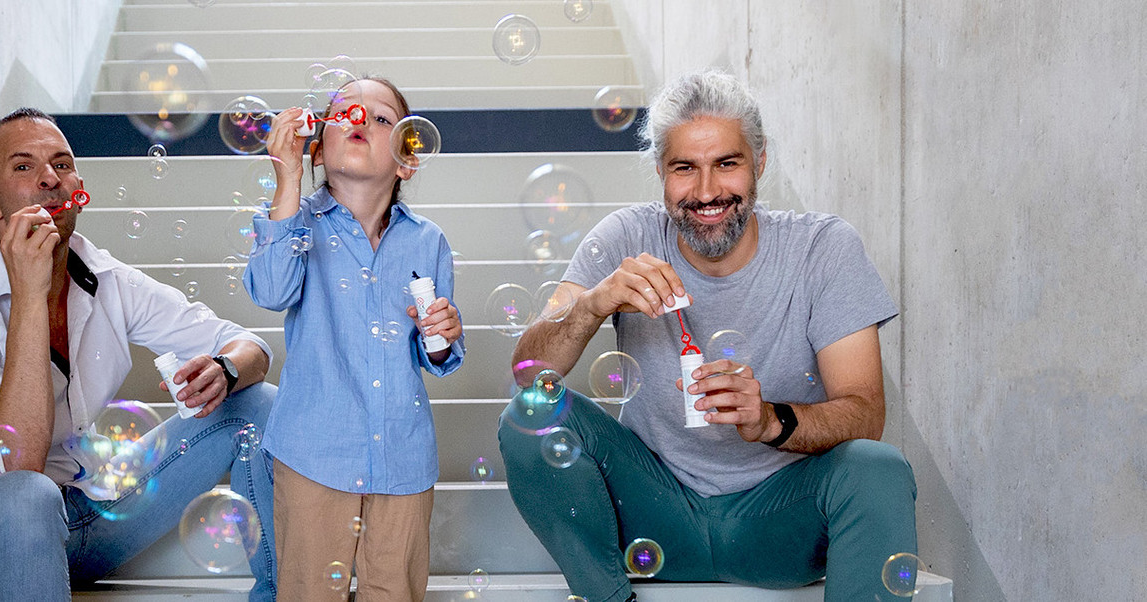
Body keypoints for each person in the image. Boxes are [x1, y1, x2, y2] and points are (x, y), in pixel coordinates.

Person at [501, 70, 916, 602]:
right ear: (660, 171)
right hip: (653, 515)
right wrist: (592, 304)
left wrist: (770, 419)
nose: (706, 192)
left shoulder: (823, 250)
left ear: (759, 161)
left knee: (877, 468)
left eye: (727, 163)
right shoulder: (626, 237)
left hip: (777, 521)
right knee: (532, 411)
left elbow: (865, 413)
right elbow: (530, 372)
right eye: (684, 168)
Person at [0, 108, 278, 601]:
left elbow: (249, 345)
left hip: (82, 517)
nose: (49, 178)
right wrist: (28, 293)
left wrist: (224, 368)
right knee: (27, 494)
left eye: (62, 165)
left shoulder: (106, 277)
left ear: (79, 186)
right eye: (24, 167)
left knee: (256, 403)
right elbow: (17, 460)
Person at [245, 77, 465, 601]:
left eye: (382, 118)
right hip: (312, 457)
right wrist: (286, 177)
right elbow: (271, 291)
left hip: (404, 460)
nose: (361, 121)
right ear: (317, 146)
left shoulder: (427, 239)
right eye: (346, 113)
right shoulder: (296, 223)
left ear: (406, 161)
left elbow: (434, 355)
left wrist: (441, 334)